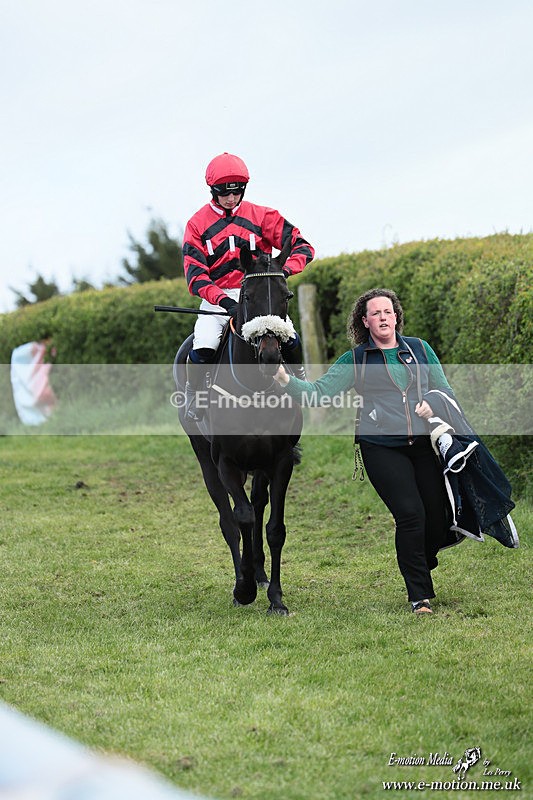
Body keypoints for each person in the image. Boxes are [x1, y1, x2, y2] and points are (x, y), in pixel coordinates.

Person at [274, 288, 461, 615]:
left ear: (396, 316)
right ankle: (420, 597)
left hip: (423, 444)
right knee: (410, 515)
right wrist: (285, 380)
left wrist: (432, 402)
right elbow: (319, 393)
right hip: (380, 446)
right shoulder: (356, 359)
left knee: (436, 517)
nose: (383, 317)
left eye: (387, 311)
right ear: (365, 321)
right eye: (375, 313)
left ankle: (418, 556)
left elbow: (443, 388)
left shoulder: (419, 349)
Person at [182, 152, 315, 419]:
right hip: (219, 298)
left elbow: (303, 246)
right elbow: (195, 275)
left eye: (237, 191)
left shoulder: (264, 216)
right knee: (205, 343)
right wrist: (225, 301)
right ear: (213, 191)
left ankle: (301, 386)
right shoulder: (196, 225)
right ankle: (195, 396)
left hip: (261, 294)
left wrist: (282, 272)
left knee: (290, 339)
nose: (231, 198)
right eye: (224, 193)